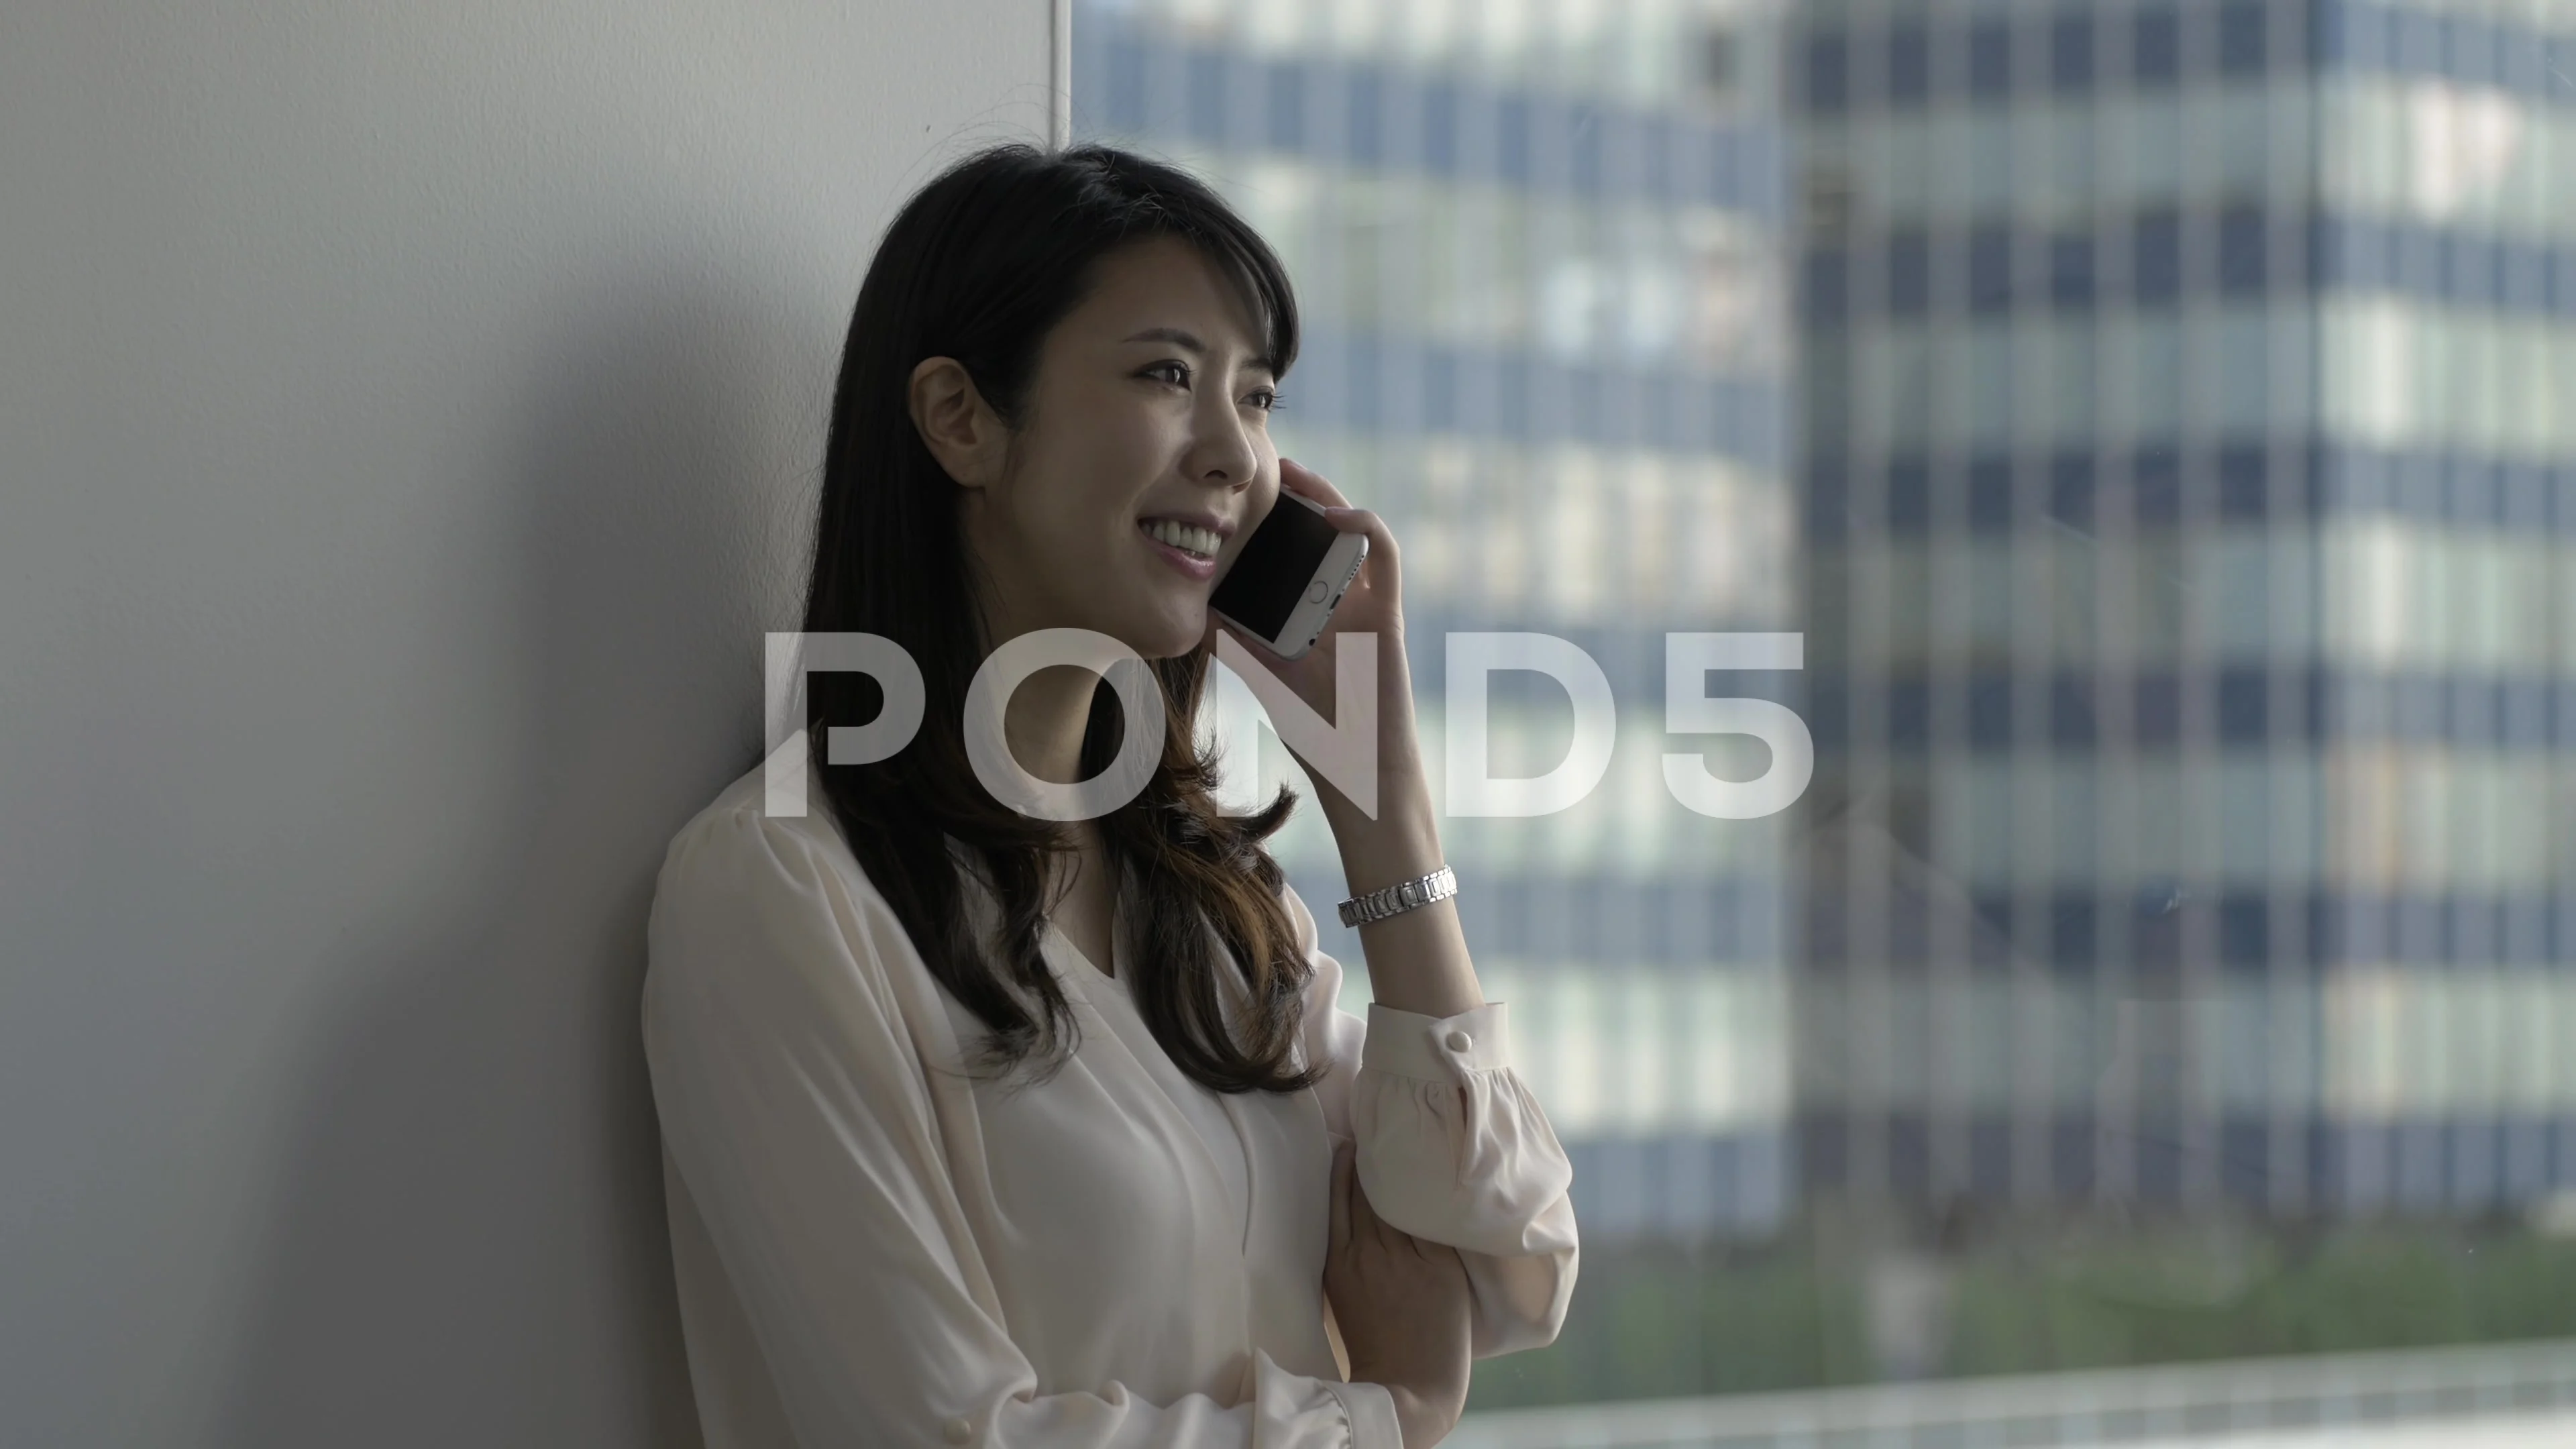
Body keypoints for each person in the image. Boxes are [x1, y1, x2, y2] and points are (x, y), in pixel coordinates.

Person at [640, 140, 1578, 1449]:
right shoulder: (779, 893)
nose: (1234, 458)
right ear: (962, 419)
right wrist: (1392, 1419)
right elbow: (945, 1434)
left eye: (1256, 400)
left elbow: (1507, 1273)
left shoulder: (1222, 913)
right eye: (1166, 377)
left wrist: (1385, 816)